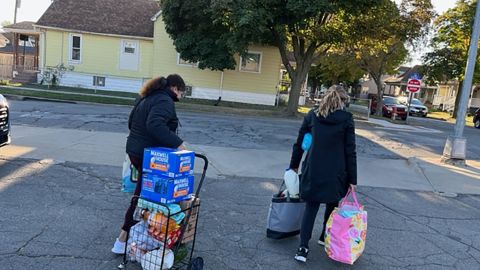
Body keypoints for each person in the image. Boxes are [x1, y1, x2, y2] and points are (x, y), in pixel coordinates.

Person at [111, 74, 187, 254]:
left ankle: (147, 235)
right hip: (150, 156)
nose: (181, 97)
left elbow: (131, 123)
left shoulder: (147, 97)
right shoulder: (164, 101)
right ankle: (122, 240)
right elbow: (155, 125)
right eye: (182, 93)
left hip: (136, 150)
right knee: (142, 196)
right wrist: (178, 144)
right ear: (175, 88)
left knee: (148, 193)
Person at [290, 85, 357, 263]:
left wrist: (294, 166)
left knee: (310, 208)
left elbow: (300, 144)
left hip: (313, 169)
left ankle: (303, 248)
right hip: (337, 172)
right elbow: (350, 151)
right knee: (332, 205)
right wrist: (352, 178)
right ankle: (324, 237)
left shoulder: (312, 116)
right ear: (343, 101)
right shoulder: (347, 119)